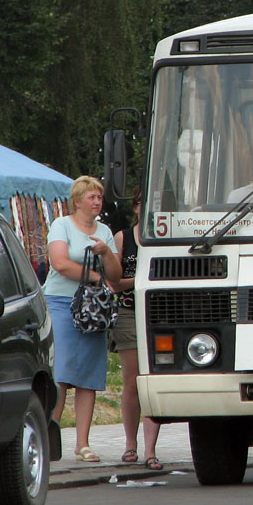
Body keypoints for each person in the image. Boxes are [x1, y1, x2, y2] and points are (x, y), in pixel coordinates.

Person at [45, 175, 122, 463]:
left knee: (88, 375)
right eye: (92, 197)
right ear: (77, 201)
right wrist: (95, 276)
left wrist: (105, 254)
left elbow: (114, 275)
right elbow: (60, 263)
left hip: (94, 307)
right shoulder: (61, 225)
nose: (97, 201)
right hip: (62, 302)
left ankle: (83, 443)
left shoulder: (104, 231)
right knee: (61, 373)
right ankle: (49, 437)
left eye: (100, 197)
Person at [111, 188, 162, 469]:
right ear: (136, 208)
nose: (149, 208)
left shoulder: (167, 238)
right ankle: (130, 444)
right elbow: (114, 281)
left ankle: (150, 450)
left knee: (152, 379)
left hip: (158, 314)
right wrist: (142, 279)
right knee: (133, 380)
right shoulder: (124, 237)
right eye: (144, 203)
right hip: (129, 311)